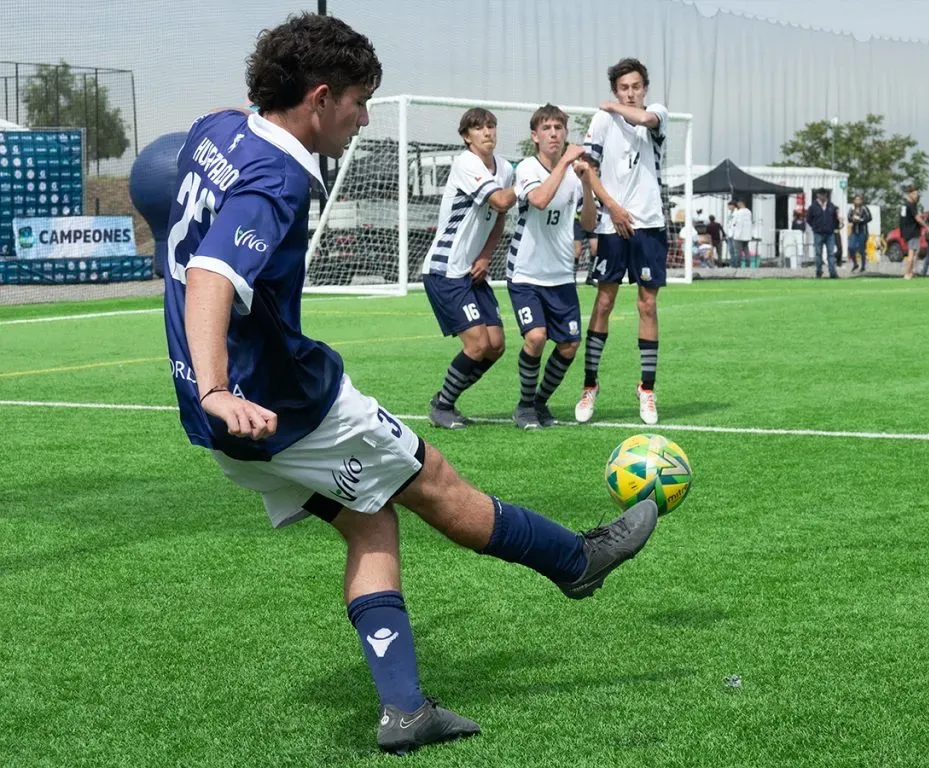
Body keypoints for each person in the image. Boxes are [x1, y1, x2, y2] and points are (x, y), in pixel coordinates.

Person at [162, 14, 659, 756]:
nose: (364, 119)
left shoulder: (215, 131)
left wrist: (205, 396)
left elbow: (196, 153)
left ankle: (405, 710)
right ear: (320, 97)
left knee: (370, 521)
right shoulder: (279, 173)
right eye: (359, 102)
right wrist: (215, 387)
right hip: (284, 404)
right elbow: (210, 276)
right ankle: (575, 562)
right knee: (438, 486)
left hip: (228, 421)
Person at [574, 58, 669, 426]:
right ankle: (590, 386)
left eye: (636, 87)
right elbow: (587, 169)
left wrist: (617, 106)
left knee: (647, 306)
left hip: (649, 225)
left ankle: (646, 389)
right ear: (616, 89)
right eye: (623, 88)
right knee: (604, 303)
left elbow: (644, 119)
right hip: (613, 224)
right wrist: (611, 207)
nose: (631, 93)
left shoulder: (657, 114)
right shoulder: (601, 122)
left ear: (644, 87)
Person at [421, 108, 515, 428]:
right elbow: (502, 202)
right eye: (479, 128)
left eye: (491, 126)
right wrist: (533, 181)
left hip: (473, 272)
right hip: (445, 270)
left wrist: (486, 256)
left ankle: (445, 400)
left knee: (496, 346)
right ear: (466, 137)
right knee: (476, 345)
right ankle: (442, 406)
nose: (487, 132)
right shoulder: (466, 163)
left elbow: (500, 218)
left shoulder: (503, 168)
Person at [507, 104, 597, 428]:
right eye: (547, 128)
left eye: (559, 127)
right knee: (536, 337)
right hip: (526, 273)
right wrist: (567, 164)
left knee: (570, 344)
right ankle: (524, 406)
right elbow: (540, 200)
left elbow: (588, 223)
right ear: (535, 135)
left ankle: (540, 404)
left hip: (561, 275)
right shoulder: (527, 168)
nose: (554, 133)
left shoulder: (573, 175)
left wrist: (586, 183)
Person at [807, 188, 840, 278]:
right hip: (818, 233)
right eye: (821, 194)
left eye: (824, 194)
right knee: (818, 254)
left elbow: (835, 219)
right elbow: (809, 219)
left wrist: (835, 227)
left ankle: (832, 272)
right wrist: (815, 227)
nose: (823, 196)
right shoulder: (813, 207)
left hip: (829, 233)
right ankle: (818, 271)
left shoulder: (831, 206)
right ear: (818, 195)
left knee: (831, 254)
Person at [899, 186, 927, 279]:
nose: (916, 196)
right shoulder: (911, 205)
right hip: (912, 232)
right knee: (912, 253)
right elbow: (917, 218)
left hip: (906, 231)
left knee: (913, 253)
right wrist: (927, 227)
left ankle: (910, 273)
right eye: (915, 194)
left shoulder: (904, 205)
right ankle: (907, 273)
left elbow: (902, 219)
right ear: (909, 194)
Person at [847, 194, 871, 272]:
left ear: (861, 201)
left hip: (862, 231)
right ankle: (855, 263)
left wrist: (860, 220)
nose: (857, 201)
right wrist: (852, 219)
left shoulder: (864, 208)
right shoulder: (852, 208)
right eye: (856, 199)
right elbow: (849, 218)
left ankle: (863, 266)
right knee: (851, 247)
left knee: (861, 249)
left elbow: (869, 217)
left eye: (859, 199)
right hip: (854, 231)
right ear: (854, 201)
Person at [733, 199, 754, 268]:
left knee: (738, 252)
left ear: (740, 203)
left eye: (738, 204)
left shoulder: (738, 212)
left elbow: (734, 223)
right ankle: (748, 265)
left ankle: (738, 266)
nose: (737, 205)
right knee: (746, 251)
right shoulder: (749, 212)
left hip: (738, 235)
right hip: (747, 235)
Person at [726, 200, 739, 267]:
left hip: (734, 235)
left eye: (729, 205)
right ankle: (732, 264)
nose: (728, 207)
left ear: (733, 206)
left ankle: (736, 265)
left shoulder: (737, 213)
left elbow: (735, 224)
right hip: (729, 235)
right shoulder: (730, 213)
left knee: (735, 250)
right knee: (731, 250)